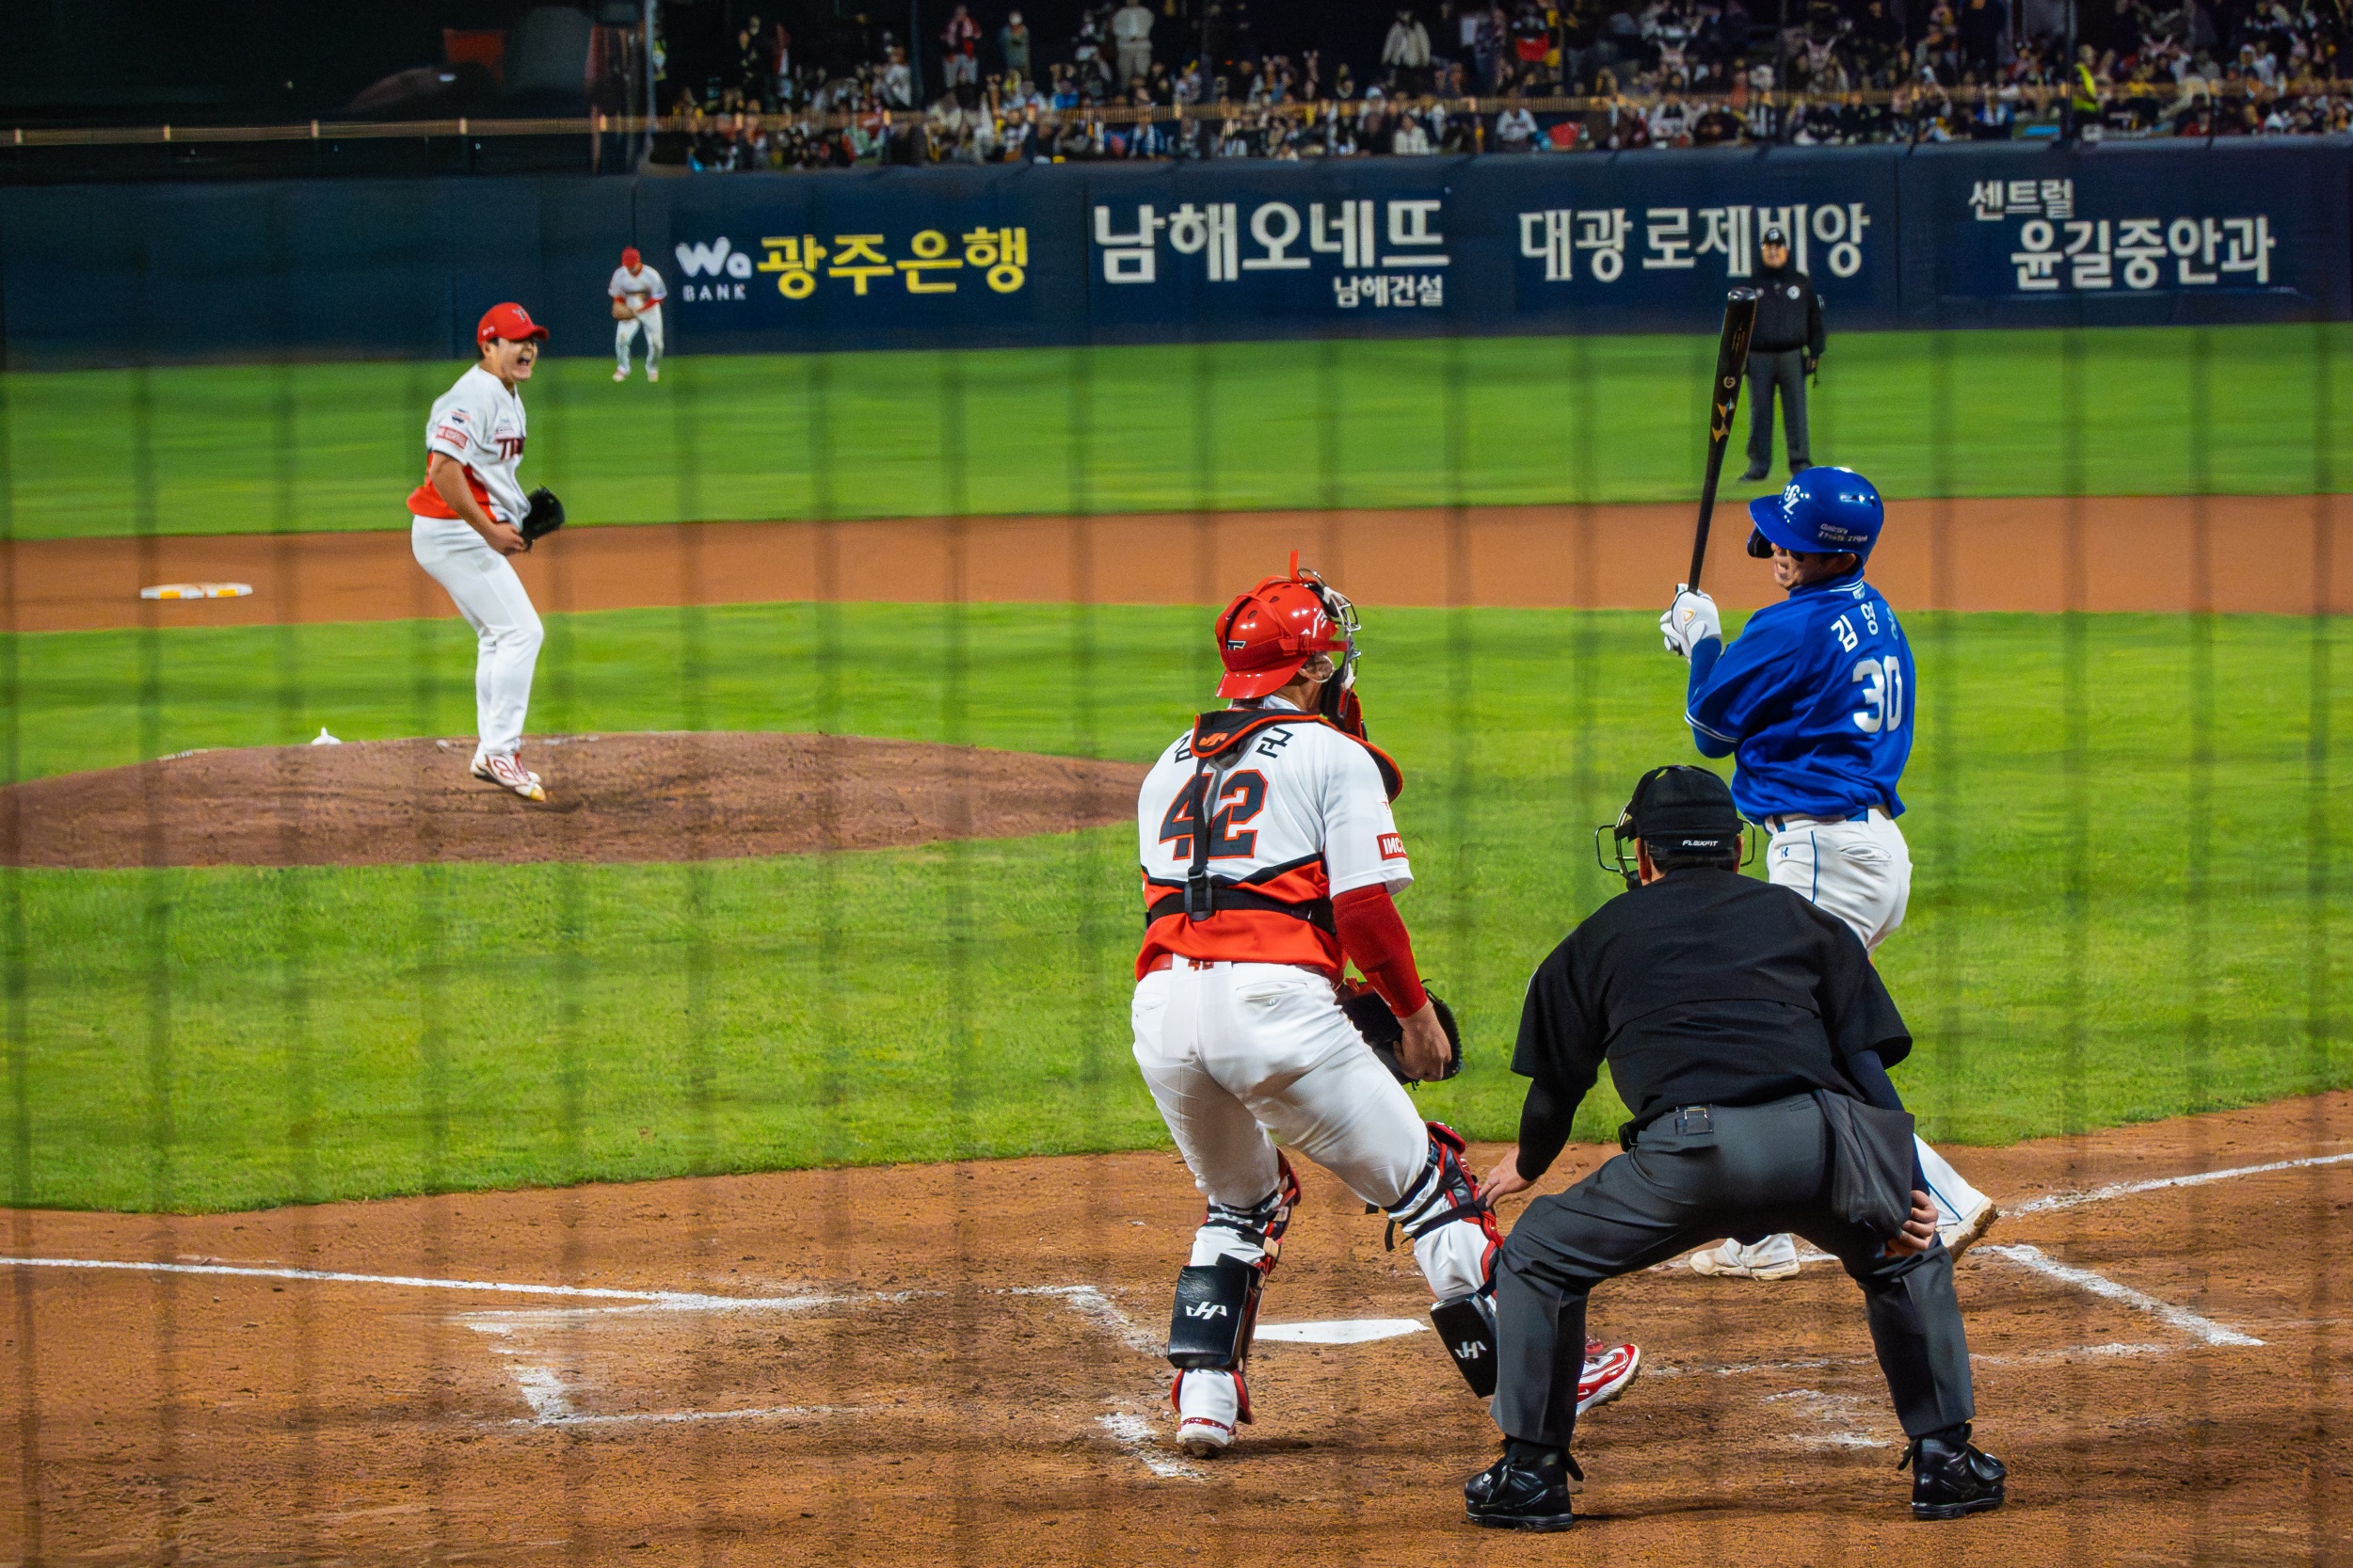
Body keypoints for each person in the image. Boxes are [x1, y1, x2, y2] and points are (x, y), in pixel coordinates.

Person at [1133, 558, 1639, 1456]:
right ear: (1312, 668)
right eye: (1331, 654)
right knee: (1433, 1186)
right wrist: (1411, 1015)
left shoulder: (1167, 764)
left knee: (1239, 1204)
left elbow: (1225, 905)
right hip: (1274, 1009)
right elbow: (1363, 910)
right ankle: (1550, 1376)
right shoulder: (1333, 754)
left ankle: (1202, 1401)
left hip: (1164, 1013)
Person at [1460, 764, 2005, 1530]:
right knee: (1904, 1254)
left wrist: (1527, 1164)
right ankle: (1947, 1462)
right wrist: (1907, 1190)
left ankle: (1531, 1475)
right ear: (1737, 848)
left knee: (1540, 1254)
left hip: (1688, 1162)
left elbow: (1555, 1090)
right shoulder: (1805, 921)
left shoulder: (1596, 938)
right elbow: (1867, 1072)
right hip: (1819, 1150)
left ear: (1642, 853)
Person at [1657, 467, 1999, 1281]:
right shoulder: (1870, 608)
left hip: (1822, 854)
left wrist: (1702, 643)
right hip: (1868, 851)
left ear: (1826, 552)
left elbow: (1709, 731)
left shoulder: (1792, 626)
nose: (1775, 547)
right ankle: (1759, 1234)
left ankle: (1938, 1198)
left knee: (1787, 1034)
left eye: (1790, 540)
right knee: (1779, 1033)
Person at [408, 303, 552, 803]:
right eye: (516, 340)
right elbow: (443, 469)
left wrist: (514, 517)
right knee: (522, 632)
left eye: (531, 340)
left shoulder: (507, 393)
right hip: (451, 533)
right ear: (488, 346)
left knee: (498, 635)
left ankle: (491, 752)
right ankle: (501, 752)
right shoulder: (470, 396)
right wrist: (489, 530)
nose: (528, 348)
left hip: (462, 532)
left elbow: (485, 474)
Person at [1738, 226, 1826, 483]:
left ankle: (1800, 462)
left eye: (1778, 247)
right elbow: (1738, 325)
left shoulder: (1800, 282)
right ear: (1762, 251)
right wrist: (1740, 357)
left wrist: (1815, 351)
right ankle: (1759, 465)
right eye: (1769, 247)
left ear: (1786, 251)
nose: (1773, 252)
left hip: (1791, 356)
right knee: (1760, 413)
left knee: (1796, 411)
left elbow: (1814, 319)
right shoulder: (1751, 285)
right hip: (1759, 357)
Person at [608, 247, 667, 383]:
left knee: (657, 344)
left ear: (638, 261)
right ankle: (623, 368)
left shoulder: (651, 274)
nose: (629, 268)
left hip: (649, 310)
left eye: (632, 265)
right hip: (630, 308)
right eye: (627, 265)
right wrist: (620, 306)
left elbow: (658, 298)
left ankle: (652, 367)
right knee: (621, 339)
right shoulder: (619, 274)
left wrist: (641, 309)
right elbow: (618, 295)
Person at [1112, 1, 1157, 87]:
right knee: (1125, 74)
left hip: (1142, 45)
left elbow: (1150, 26)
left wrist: (1140, 36)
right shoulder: (1120, 14)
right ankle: (1126, 92)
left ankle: (1142, 91)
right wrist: (1127, 37)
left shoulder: (1146, 12)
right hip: (1125, 46)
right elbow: (1116, 30)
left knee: (1142, 73)